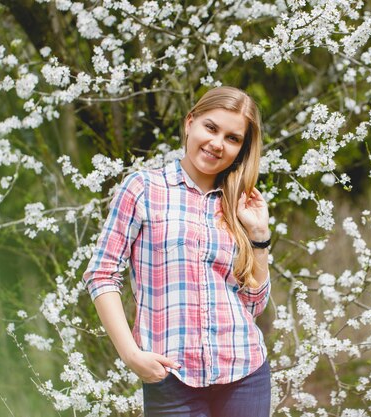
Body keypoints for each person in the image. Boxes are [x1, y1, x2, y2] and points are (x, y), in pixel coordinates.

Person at [83, 86, 272, 417]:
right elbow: (101, 274)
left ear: (241, 149)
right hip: (171, 378)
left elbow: (254, 304)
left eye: (232, 138)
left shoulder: (239, 204)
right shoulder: (143, 189)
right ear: (190, 123)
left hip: (245, 373)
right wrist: (131, 354)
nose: (217, 143)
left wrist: (258, 236)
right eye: (211, 128)